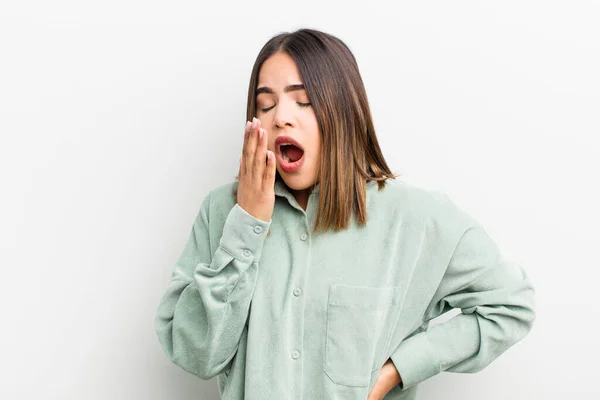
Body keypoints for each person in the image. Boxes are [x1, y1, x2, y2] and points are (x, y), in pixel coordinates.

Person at [154, 28, 536, 400]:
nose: (280, 118)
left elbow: (511, 304)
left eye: (302, 101)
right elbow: (194, 354)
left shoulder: (414, 219)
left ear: (343, 109)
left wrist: (399, 369)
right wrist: (247, 225)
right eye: (266, 105)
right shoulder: (222, 210)